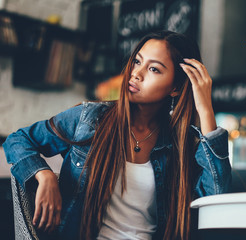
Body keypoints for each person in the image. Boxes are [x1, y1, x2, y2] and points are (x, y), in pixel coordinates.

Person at [3, 30, 232, 240]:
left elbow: (216, 203)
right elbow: (17, 140)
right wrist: (44, 175)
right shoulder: (89, 119)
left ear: (176, 88)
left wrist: (205, 110)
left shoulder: (180, 143)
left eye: (154, 69)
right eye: (137, 62)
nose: (136, 74)